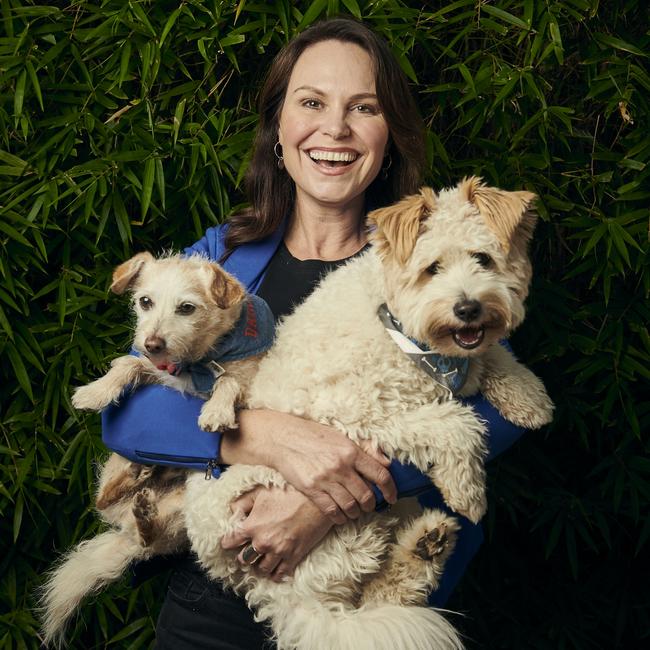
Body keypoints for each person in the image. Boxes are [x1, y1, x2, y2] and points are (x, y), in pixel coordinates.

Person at [102, 17, 525, 649]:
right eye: (311, 103)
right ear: (279, 127)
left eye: (364, 108)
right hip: (213, 607)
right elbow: (127, 417)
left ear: (389, 137)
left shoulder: (428, 252)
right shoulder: (221, 260)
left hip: (365, 598)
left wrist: (323, 502)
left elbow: (500, 412)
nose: (335, 129)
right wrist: (265, 437)